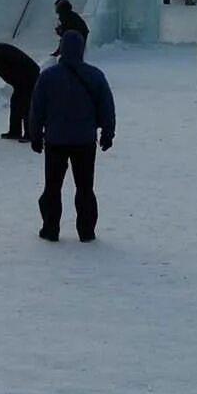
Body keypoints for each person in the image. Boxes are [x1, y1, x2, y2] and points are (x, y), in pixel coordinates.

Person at [29, 30, 116, 243]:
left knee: (52, 187)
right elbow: (107, 106)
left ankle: (50, 229)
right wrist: (107, 133)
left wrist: (35, 135)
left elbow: (36, 108)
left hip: (55, 141)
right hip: (84, 141)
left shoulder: (48, 77)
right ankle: (86, 231)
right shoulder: (95, 76)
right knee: (85, 188)